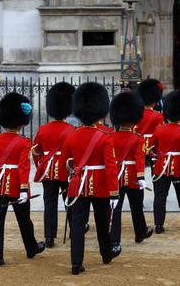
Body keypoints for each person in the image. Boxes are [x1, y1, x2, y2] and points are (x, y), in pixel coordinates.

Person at [59, 82, 120, 275]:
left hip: (78, 184)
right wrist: (114, 192)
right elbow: (111, 167)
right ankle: (106, 253)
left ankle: (76, 262)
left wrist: (65, 183)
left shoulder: (71, 136)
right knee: (102, 223)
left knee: (77, 224)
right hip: (101, 184)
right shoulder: (105, 137)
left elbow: (64, 164)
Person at [0, 92, 45, 267]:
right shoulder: (24, 142)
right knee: (24, 220)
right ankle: (31, 248)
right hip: (17, 186)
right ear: (21, 122)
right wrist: (24, 190)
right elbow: (23, 167)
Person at [109, 92, 154, 254]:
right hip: (134, 177)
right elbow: (139, 159)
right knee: (136, 207)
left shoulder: (110, 137)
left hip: (116, 177)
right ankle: (140, 232)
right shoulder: (138, 139)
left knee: (116, 209)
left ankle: (114, 241)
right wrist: (141, 176)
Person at [31, 82, 76, 248]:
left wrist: (41, 167)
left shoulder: (43, 129)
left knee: (49, 203)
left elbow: (36, 152)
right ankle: (74, 230)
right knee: (69, 202)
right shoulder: (71, 129)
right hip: (65, 171)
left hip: (48, 171)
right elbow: (74, 154)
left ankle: (49, 237)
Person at [149, 90, 180, 233]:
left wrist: (155, 154)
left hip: (161, 166)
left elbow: (151, 148)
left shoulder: (159, 130)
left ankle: (159, 224)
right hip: (178, 167)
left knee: (160, 195)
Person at [136, 79, 165, 174]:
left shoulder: (136, 114)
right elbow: (160, 134)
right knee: (155, 173)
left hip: (138, 146)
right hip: (153, 147)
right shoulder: (158, 116)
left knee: (138, 173)